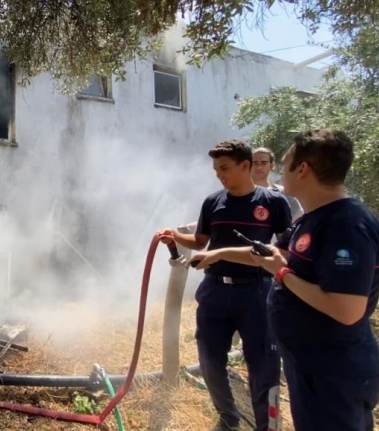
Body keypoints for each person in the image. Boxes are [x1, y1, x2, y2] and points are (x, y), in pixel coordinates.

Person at [248, 129, 379, 430]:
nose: (280, 169)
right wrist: (219, 253)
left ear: (303, 169)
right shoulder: (313, 217)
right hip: (311, 365)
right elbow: (279, 256)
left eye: (284, 162)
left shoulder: (347, 225)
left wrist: (281, 274)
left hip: (333, 371)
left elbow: (346, 310)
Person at [159, 140, 292, 431]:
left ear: (246, 166)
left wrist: (225, 254)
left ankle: (268, 426)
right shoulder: (213, 202)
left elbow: (283, 251)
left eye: (225, 168)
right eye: (216, 169)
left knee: (263, 366)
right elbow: (201, 241)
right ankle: (228, 417)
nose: (219, 174)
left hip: (257, 291)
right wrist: (176, 237)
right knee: (209, 359)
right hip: (215, 291)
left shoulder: (273, 203)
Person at [252, 147, 303, 221]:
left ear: (272, 165)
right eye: (255, 163)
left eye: (264, 163)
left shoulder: (284, 193)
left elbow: (298, 216)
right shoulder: (237, 192)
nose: (259, 167)